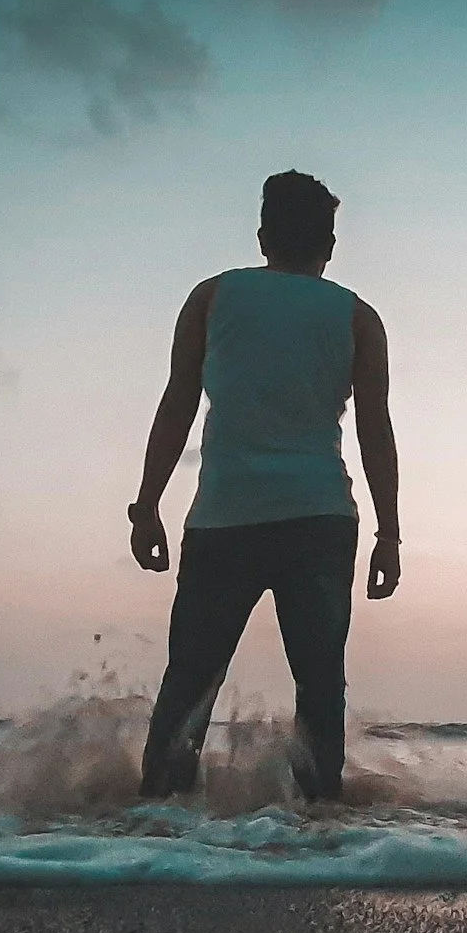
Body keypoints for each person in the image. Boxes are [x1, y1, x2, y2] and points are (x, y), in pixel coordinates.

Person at [125, 170, 400, 802]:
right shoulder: (359, 317)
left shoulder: (212, 298)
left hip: (225, 516)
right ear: (329, 245)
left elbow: (177, 406)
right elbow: (375, 431)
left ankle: (156, 821)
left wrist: (146, 506)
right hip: (320, 516)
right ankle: (320, 823)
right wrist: (389, 533)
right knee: (320, 684)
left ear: (261, 236)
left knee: (190, 681)